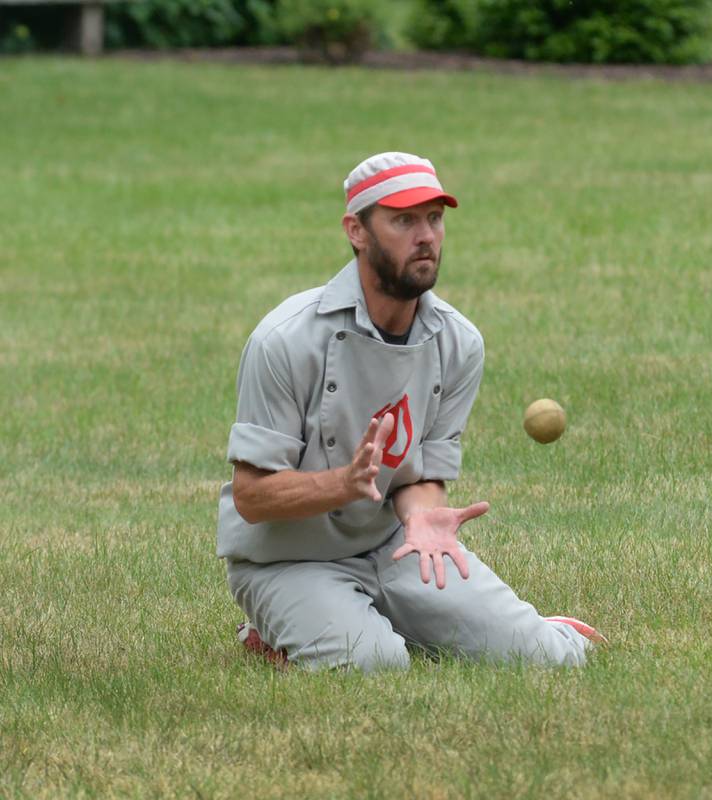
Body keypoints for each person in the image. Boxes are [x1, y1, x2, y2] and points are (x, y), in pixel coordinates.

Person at [216, 151, 605, 673]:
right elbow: (252, 497)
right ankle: (273, 630)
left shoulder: (458, 342)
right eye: (404, 220)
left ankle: (502, 626)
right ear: (357, 230)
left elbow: (420, 477)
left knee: (549, 659)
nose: (426, 235)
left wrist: (422, 519)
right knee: (376, 668)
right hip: (286, 560)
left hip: (392, 546)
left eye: (435, 218)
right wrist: (343, 484)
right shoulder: (285, 340)